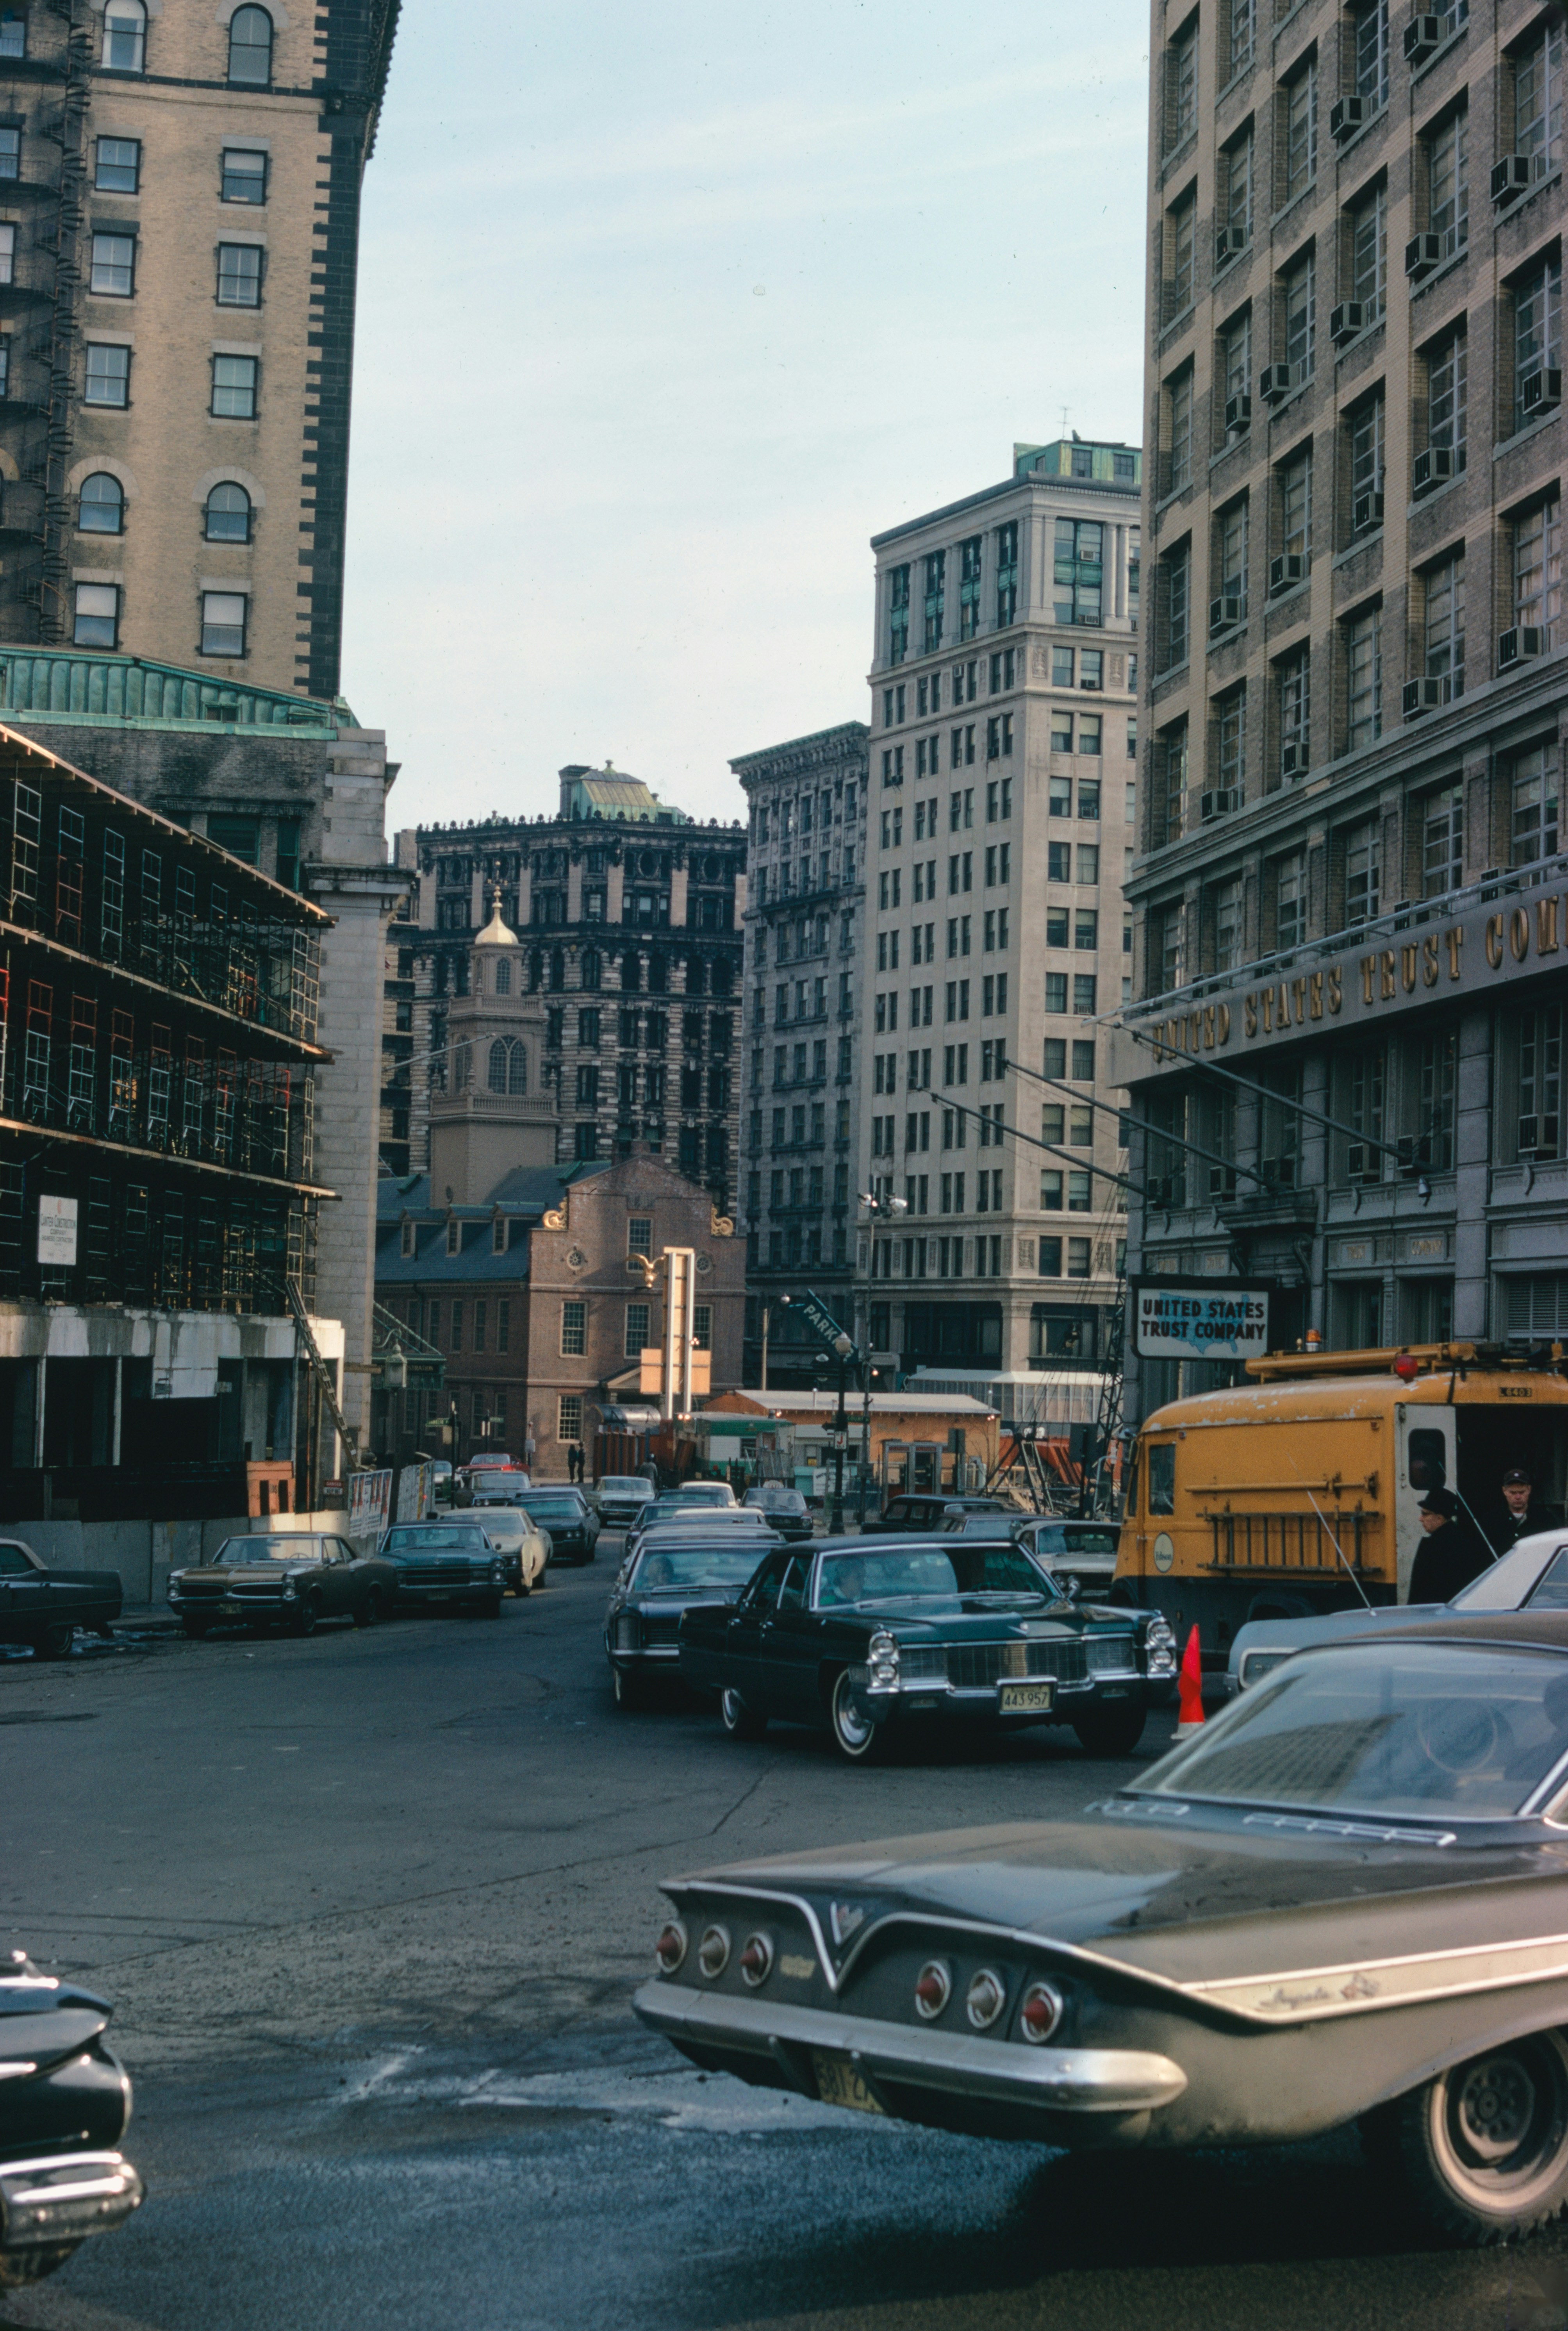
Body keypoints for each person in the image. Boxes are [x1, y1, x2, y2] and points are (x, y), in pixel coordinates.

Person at [1408, 1489, 1490, 1605]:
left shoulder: (1434, 1547)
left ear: (1440, 1518)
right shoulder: (1462, 1541)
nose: (1420, 1519)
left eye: (1425, 1514)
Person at [1483, 1466, 1552, 1557]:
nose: (1518, 1497)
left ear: (1529, 1490)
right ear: (1505, 1491)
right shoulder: (1491, 1521)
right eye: (1513, 1493)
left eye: (1522, 1492)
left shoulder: (1545, 1519)